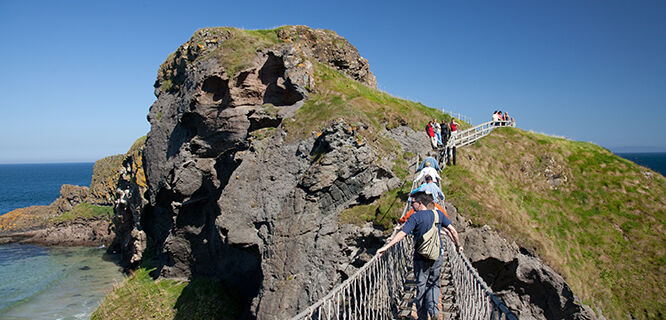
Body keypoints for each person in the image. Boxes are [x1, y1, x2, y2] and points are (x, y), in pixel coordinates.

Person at [378, 191, 462, 320]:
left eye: (413, 203)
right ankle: (434, 311)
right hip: (437, 255)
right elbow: (453, 231)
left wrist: (386, 247)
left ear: (420, 203)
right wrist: (457, 246)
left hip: (420, 257)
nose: (411, 206)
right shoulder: (438, 214)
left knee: (421, 286)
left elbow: (402, 234)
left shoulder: (415, 217)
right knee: (434, 283)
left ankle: (422, 316)